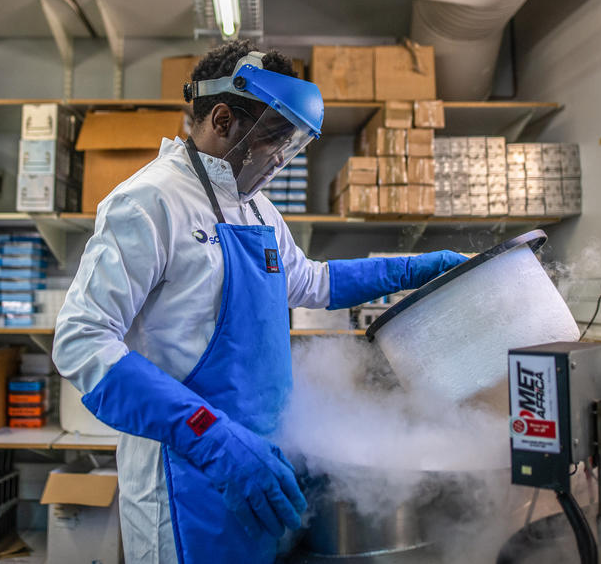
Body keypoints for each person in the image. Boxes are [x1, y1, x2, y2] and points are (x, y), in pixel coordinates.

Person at [52, 41, 467, 564]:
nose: (280, 161)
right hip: (188, 479)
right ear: (222, 119)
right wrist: (211, 436)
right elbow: (82, 342)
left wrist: (409, 271)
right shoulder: (150, 202)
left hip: (263, 465)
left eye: (292, 146)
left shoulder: (259, 210)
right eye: (274, 141)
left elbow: (309, 282)